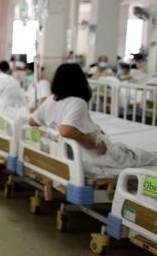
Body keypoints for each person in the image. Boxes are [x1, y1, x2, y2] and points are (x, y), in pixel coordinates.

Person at [29, 64, 157, 175]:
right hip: (94, 157)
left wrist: (50, 129)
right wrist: (94, 142)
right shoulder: (77, 102)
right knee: (138, 156)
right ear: (79, 81)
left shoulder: (50, 100)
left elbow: (32, 122)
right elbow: (66, 130)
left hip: (68, 155)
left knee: (136, 153)